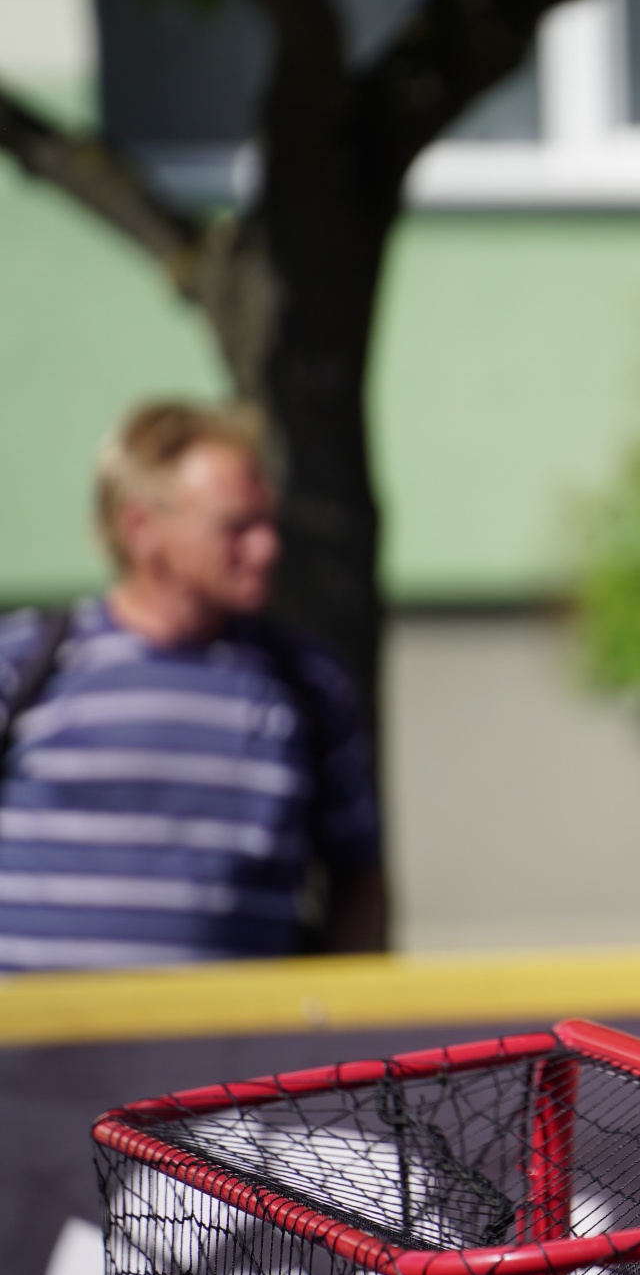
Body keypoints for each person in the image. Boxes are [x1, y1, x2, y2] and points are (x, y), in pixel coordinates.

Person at [0, 401, 385, 970]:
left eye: (268, 522)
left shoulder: (309, 684)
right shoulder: (27, 663)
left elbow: (359, 880)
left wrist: (327, 1008)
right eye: (236, 527)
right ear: (141, 528)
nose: (267, 548)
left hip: (239, 1030)